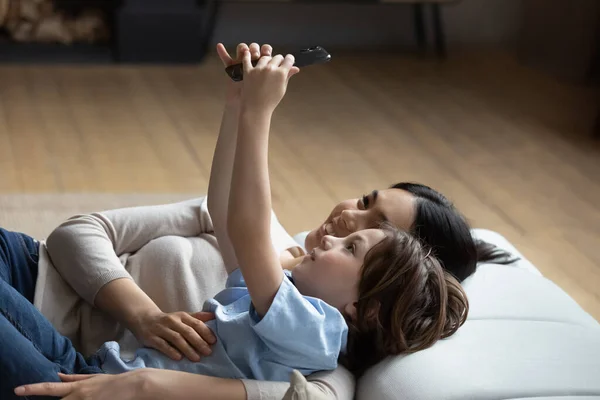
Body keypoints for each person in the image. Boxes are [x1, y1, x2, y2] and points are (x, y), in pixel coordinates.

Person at [1, 43, 507, 400]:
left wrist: (261, 116)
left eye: (356, 245)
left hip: (83, 378)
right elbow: (224, 211)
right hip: (87, 363)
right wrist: (237, 104)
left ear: (366, 308)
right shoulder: (287, 288)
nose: (341, 227)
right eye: (365, 202)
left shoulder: (313, 331)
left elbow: (245, 225)